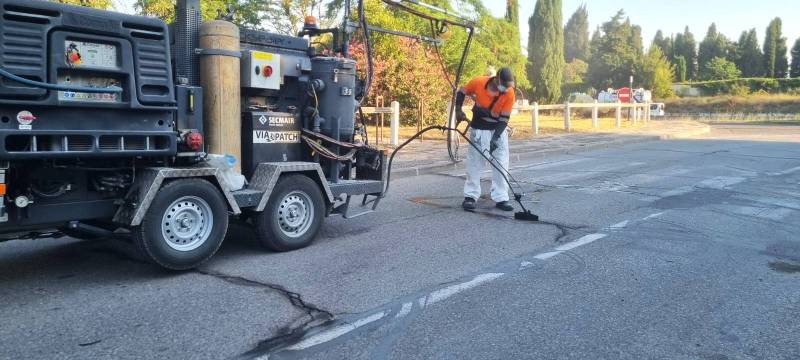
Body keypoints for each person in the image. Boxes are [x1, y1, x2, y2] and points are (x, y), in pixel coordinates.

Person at [455, 67, 516, 212]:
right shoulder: (478, 82)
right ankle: (470, 196)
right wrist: (458, 109)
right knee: (474, 164)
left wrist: (495, 138)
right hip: (479, 130)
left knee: (501, 164)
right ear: (497, 80)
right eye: (504, 85)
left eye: (508, 86)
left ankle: (501, 198)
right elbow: (461, 92)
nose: (506, 89)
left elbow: (504, 119)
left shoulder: (509, 93)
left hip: (497, 131)